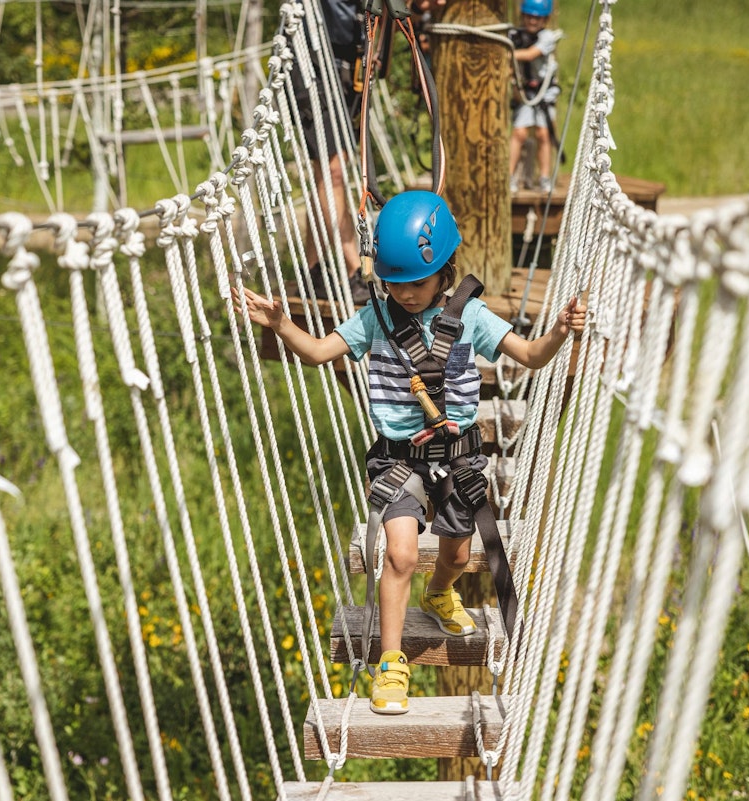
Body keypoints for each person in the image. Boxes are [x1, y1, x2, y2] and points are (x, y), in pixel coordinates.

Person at [233, 190, 586, 714]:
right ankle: (391, 664)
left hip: (458, 459)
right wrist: (282, 323)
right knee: (399, 553)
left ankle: (439, 592)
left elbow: (532, 357)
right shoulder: (376, 316)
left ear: (445, 271)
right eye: (394, 286)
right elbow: (318, 353)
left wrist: (559, 331)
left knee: (458, 556)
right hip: (399, 459)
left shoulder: (474, 317)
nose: (405, 296)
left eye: (416, 284)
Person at [291, 0, 368, 306]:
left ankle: (313, 271)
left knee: (330, 172)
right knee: (332, 170)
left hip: (347, 62)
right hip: (310, 59)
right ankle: (355, 270)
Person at [508, 0, 562, 192]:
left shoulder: (547, 37)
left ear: (545, 19)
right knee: (519, 133)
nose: (532, 21)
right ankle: (511, 177)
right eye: (529, 16)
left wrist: (504, 55)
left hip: (544, 93)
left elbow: (531, 54)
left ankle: (545, 177)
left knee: (543, 134)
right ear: (523, 16)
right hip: (525, 92)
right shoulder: (514, 35)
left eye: (537, 17)